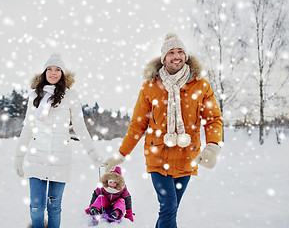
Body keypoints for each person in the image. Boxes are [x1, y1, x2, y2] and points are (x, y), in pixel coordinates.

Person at [104, 33, 223, 228]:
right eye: (171, 52)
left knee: (170, 209)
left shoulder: (200, 85)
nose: (177, 56)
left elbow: (213, 119)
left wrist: (212, 146)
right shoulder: (150, 86)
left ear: (185, 56)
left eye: (180, 52)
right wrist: (121, 154)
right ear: (163, 58)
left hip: (187, 156)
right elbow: (138, 124)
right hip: (158, 157)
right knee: (168, 206)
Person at [14, 53, 103, 228]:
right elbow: (27, 128)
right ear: (44, 72)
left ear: (62, 73)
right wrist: (19, 158)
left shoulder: (71, 96)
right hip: (37, 158)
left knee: (54, 207)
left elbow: (80, 127)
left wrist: (93, 154)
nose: (53, 73)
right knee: (36, 207)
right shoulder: (34, 96)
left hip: (61, 160)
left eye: (57, 70)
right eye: (49, 69)